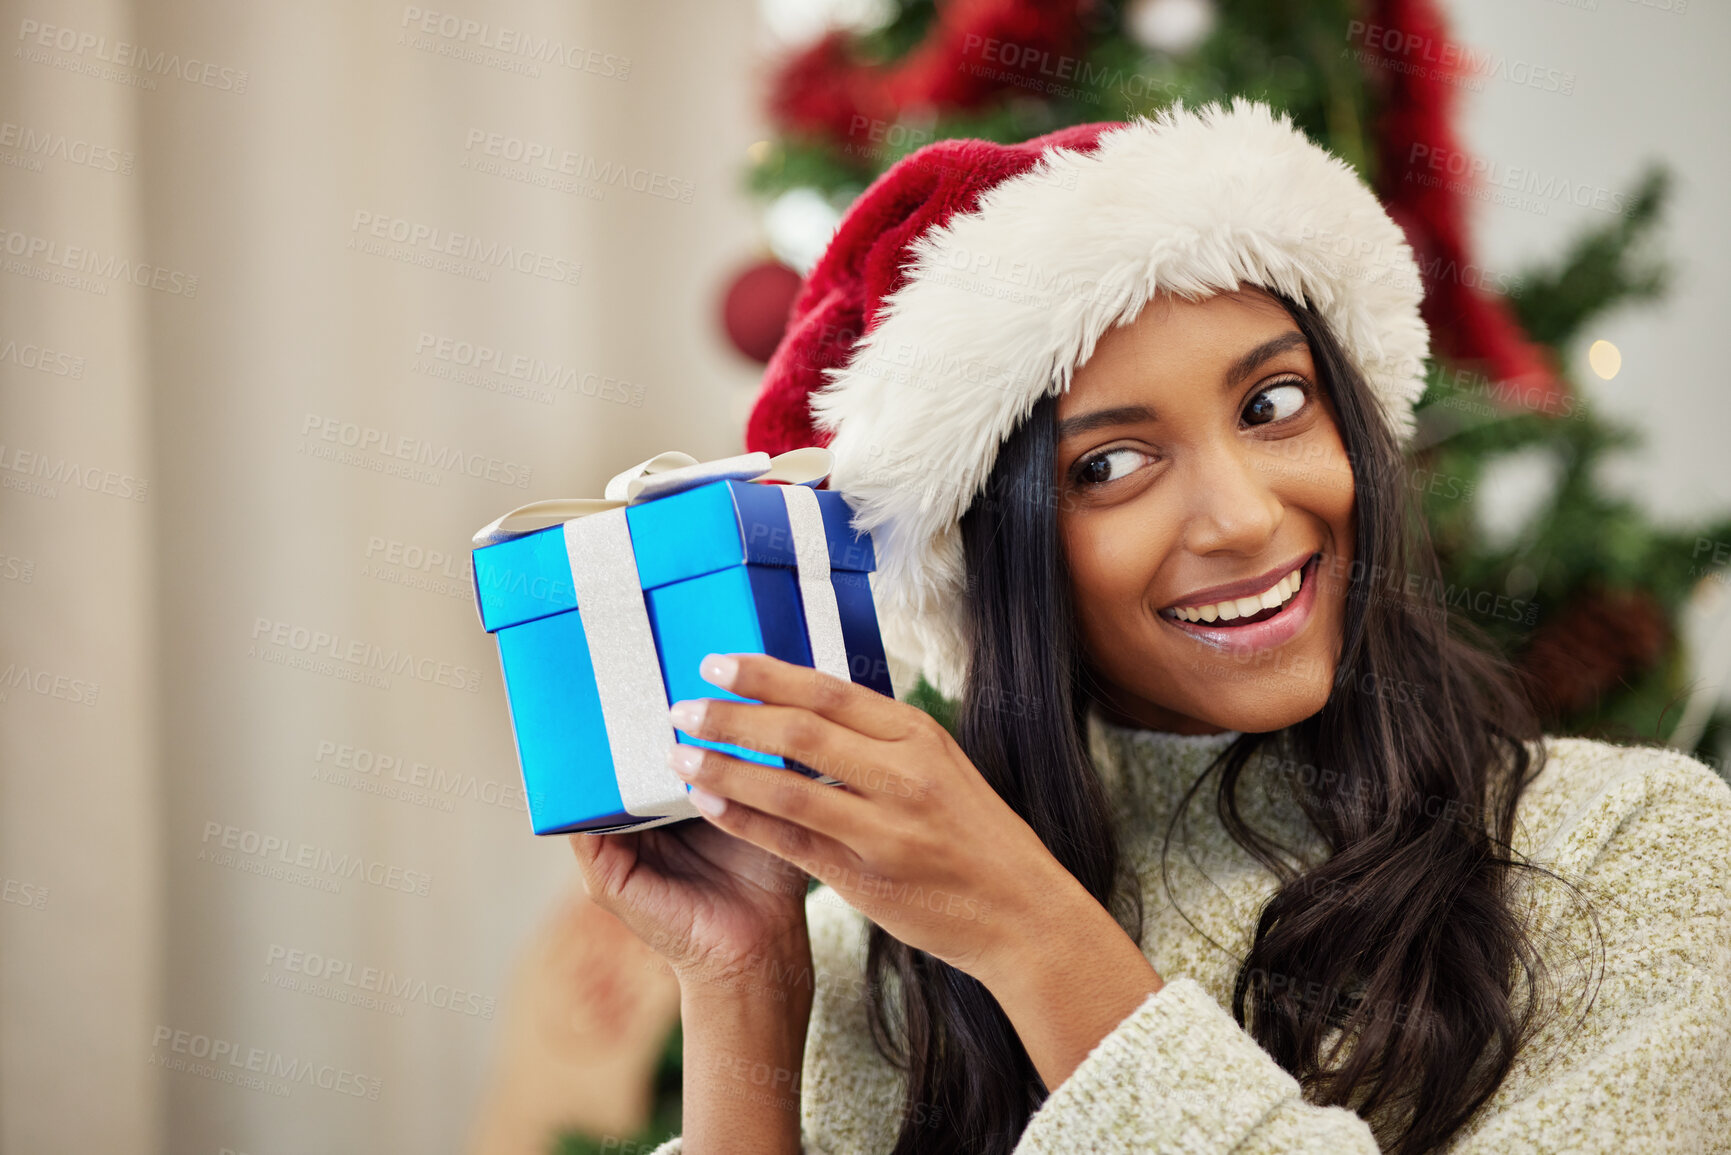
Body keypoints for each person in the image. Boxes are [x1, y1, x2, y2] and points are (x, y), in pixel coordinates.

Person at [569, 100, 1731, 1154]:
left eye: (1274, 404)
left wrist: (1036, 939)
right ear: (993, 558)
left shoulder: (1636, 858)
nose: (1241, 516)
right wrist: (744, 985)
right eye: (1112, 466)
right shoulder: (873, 964)